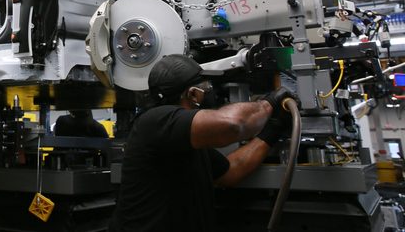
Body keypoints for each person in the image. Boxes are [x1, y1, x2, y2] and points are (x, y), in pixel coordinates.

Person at [109, 54, 296, 232]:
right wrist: (269, 103)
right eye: (205, 86)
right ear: (193, 94)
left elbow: (231, 170)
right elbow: (234, 124)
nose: (209, 91)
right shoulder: (156, 120)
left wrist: (272, 130)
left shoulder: (184, 139)